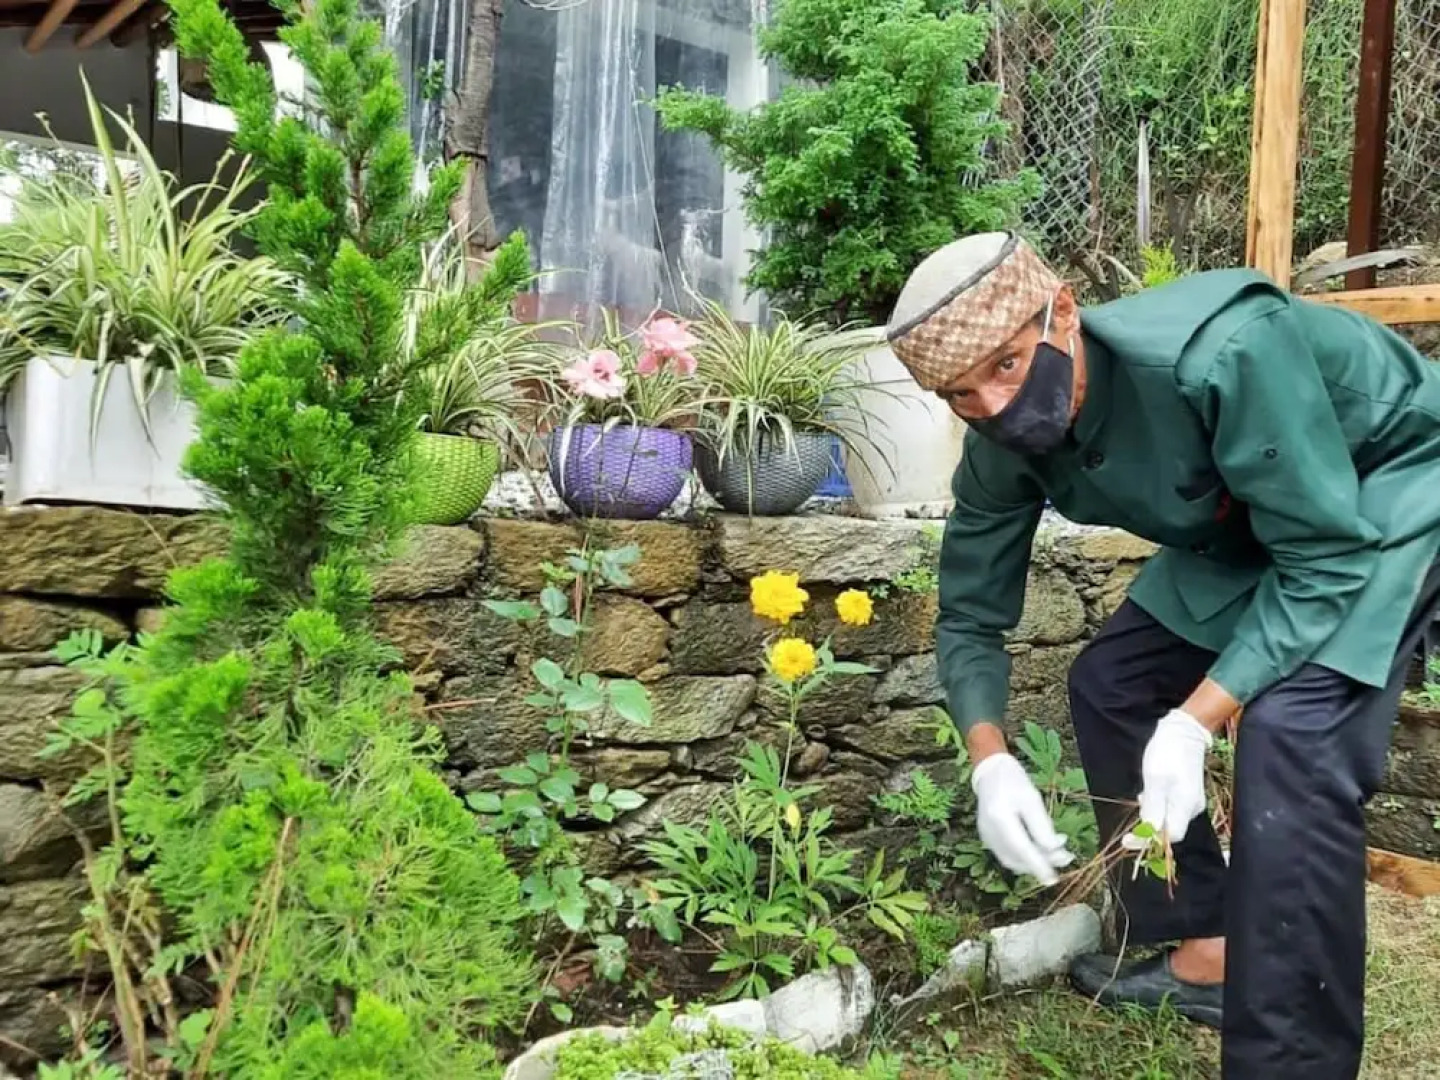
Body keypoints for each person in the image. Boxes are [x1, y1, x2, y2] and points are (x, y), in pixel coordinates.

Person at [884, 231, 1440, 1079]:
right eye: (959, 395)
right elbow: (967, 617)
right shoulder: (1001, 444)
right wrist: (988, 761)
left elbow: (1324, 557)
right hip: (1253, 512)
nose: (994, 407)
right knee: (1112, 684)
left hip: (1394, 482)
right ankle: (1207, 946)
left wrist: (1196, 721)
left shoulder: (1224, 351)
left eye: (1005, 367)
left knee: (1295, 737)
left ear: (1063, 310)